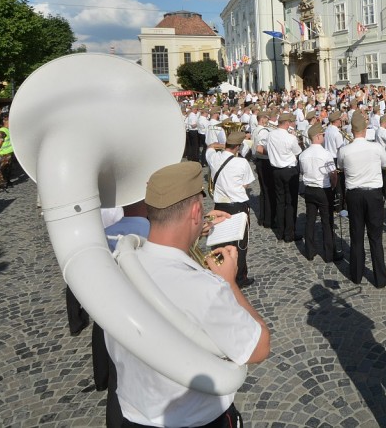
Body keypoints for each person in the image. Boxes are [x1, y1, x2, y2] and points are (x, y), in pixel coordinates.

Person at [104, 162, 270, 427]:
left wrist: (199, 225)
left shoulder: (118, 270)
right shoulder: (205, 288)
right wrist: (229, 283)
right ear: (195, 211)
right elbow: (259, 348)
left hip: (134, 416)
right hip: (197, 420)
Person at [338, 112, 386, 287]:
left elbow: (340, 167)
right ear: (365, 129)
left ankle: (356, 274)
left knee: (356, 235)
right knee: (375, 237)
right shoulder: (376, 147)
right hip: (373, 194)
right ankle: (380, 278)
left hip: (354, 194)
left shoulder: (344, 150)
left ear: (352, 130)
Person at [205, 131, 256, 288]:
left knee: (220, 241)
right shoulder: (241, 162)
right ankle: (239, 278)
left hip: (220, 206)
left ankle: (221, 273)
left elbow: (209, 147)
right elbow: (246, 184)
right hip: (238, 206)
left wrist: (221, 146)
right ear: (238, 147)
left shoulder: (213, 157)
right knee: (240, 243)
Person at [299, 123, 340, 262]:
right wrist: (333, 186)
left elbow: (303, 172)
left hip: (309, 189)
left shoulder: (303, 154)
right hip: (323, 189)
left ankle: (309, 251)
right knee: (327, 221)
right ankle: (329, 254)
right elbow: (333, 174)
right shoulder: (326, 154)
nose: (323, 136)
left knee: (310, 220)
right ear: (317, 136)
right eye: (322, 134)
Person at [266, 113, 302, 242]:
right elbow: (298, 152)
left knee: (280, 201)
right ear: (287, 123)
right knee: (291, 202)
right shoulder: (290, 137)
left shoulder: (270, 134)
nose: (292, 124)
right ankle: (289, 233)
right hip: (289, 170)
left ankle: (280, 232)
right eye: (291, 122)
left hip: (276, 170)